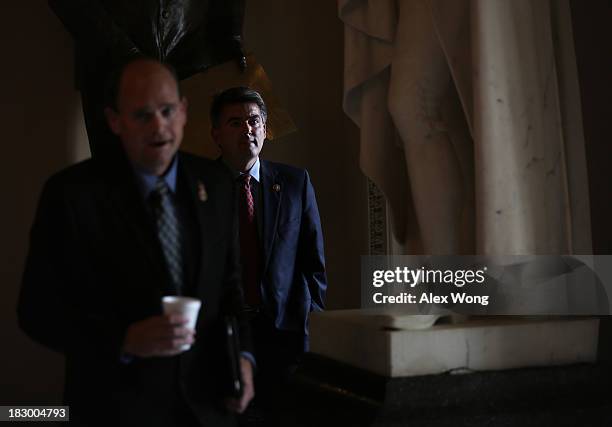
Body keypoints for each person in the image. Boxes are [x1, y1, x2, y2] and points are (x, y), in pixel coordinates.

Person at [18, 59, 254, 426]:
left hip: (208, 408)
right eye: (142, 115)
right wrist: (123, 340)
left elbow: (230, 291)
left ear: (183, 111)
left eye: (166, 111)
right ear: (115, 121)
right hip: (114, 407)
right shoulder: (73, 194)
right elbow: (36, 311)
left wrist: (244, 359)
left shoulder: (217, 184)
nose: (158, 125)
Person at [210, 87, 327, 420]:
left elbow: (313, 260)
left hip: (286, 333)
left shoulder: (294, 182)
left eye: (254, 120)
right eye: (235, 122)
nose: (247, 129)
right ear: (216, 134)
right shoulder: (200, 186)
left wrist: (313, 321)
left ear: (264, 128)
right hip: (224, 335)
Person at [48, 0, 247, 156]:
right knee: (116, 186)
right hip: (110, 62)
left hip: (196, 60)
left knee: (196, 185)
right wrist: (123, 52)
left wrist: (231, 33)